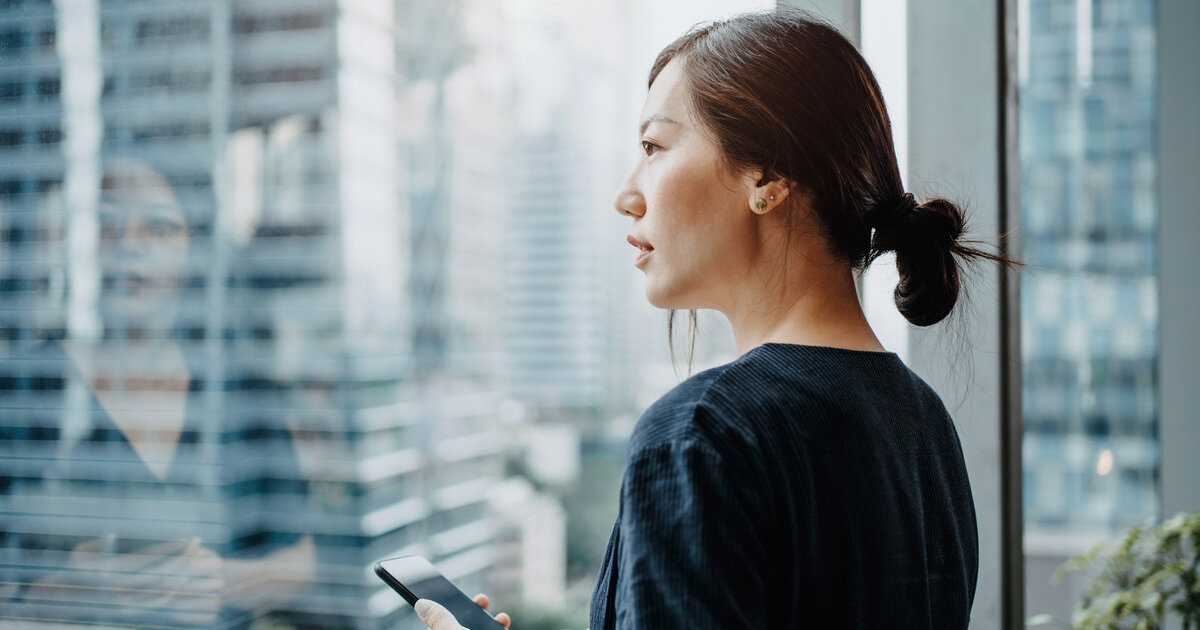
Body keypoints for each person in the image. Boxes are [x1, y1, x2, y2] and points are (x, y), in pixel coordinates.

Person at [414, 8, 1006, 630]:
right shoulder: (925, 423)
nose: (625, 194)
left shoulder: (703, 434)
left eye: (653, 146)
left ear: (769, 175)